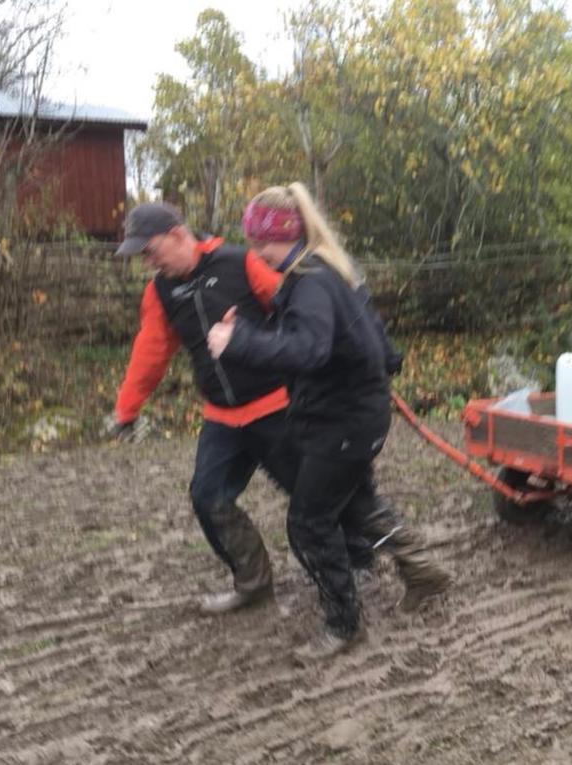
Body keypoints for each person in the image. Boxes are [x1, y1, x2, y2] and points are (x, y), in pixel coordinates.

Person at [206, 182, 452, 658]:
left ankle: (344, 627)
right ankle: (423, 570)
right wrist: (380, 369)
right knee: (356, 504)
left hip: (344, 423)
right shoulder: (330, 270)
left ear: (283, 234)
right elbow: (367, 338)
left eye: (261, 243)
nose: (258, 254)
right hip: (353, 415)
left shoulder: (311, 282)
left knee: (308, 523)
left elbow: (309, 348)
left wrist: (237, 343)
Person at [110, 202, 372, 615]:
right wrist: (126, 410)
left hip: (278, 407)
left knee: (312, 495)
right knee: (207, 497)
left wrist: (351, 358)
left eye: (150, 250)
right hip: (223, 417)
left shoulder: (240, 262)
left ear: (178, 234)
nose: (149, 261)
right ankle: (252, 583)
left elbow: (302, 307)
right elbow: (151, 351)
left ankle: (359, 559)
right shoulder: (161, 291)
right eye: (143, 256)